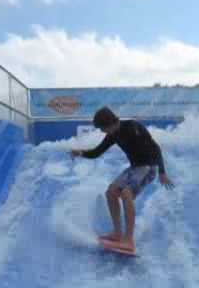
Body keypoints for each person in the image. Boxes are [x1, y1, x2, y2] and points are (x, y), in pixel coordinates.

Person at [70, 107, 174, 252]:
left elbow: (156, 148)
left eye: (102, 128)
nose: (102, 131)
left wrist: (162, 172)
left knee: (126, 194)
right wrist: (81, 152)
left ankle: (129, 240)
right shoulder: (113, 135)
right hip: (134, 168)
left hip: (149, 167)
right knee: (111, 192)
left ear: (110, 123)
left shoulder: (132, 127)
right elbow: (96, 152)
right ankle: (117, 233)